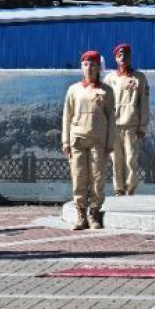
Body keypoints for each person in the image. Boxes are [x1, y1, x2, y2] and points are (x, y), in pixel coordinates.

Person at [62, 52, 114, 230]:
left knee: (97, 178)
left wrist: (110, 142)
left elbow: (111, 118)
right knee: (78, 177)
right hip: (77, 139)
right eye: (86, 65)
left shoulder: (106, 91)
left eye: (93, 65)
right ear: (82, 67)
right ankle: (81, 214)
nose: (89, 68)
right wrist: (65, 142)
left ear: (99, 67)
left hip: (98, 140)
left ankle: (94, 213)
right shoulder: (73, 90)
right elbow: (67, 117)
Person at [104, 43, 150, 196]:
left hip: (131, 125)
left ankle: (130, 189)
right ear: (115, 58)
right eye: (119, 55)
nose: (123, 57)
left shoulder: (139, 78)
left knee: (131, 159)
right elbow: (104, 104)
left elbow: (143, 103)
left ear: (130, 57)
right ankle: (118, 189)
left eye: (126, 55)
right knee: (116, 159)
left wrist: (142, 127)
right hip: (113, 125)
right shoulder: (110, 79)